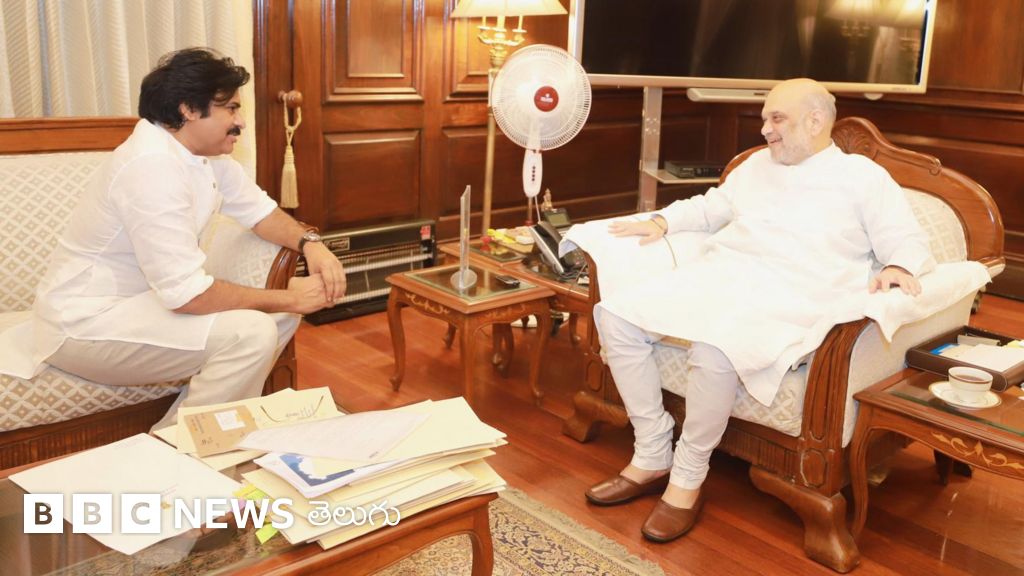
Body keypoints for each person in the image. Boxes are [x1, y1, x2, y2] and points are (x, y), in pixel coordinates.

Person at [583, 78, 934, 543]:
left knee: (715, 348)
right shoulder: (755, 165)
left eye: (776, 118)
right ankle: (651, 452)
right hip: (723, 276)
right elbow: (710, 207)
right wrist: (663, 221)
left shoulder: (863, 178)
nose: (765, 129)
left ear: (815, 121)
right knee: (615, 315)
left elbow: (906, 239)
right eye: (765, 118)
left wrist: (897, 265)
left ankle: (687, 477)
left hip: (796, 295)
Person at [0, 48, 346, 430]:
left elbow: (261, 213)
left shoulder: (203, 156)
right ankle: (182, 447)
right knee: (254, 331)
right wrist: (289, 297)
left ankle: (180, 436)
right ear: (189, 110)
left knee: (276, 318)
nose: (241, 122)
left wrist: (311, 244)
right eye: (231, 108)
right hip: (85, 323)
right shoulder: (151, 168)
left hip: (141, 306)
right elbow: (188, 296)